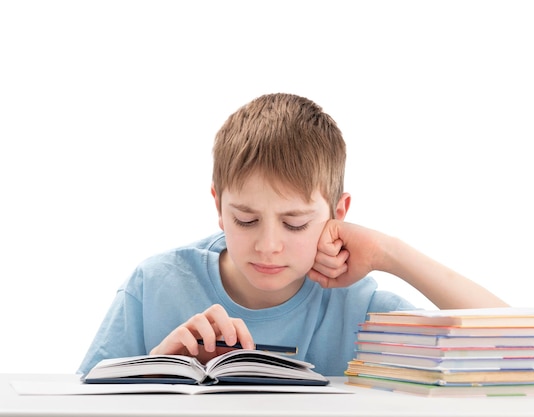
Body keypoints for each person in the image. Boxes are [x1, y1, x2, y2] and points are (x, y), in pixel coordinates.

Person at [78, 93, 507, 376]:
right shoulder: (154, 285)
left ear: (337, 215)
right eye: (245, 220)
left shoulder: (360, 308)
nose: (268, 245)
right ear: (218, 207)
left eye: (296, 223)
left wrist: (389, 253)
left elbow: (520, 341)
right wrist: (153, 370)